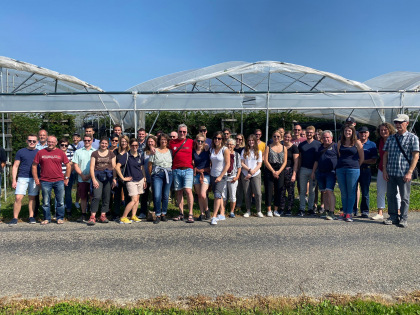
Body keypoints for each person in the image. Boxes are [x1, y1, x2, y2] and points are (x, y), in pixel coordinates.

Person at [383, 114, 419, 228]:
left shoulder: (413, 138)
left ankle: (403, 218)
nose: (397, 124)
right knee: (390, 195)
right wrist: (384, 170)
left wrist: (410, 172)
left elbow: (416, 156)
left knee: (404, 197)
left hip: (404, 173)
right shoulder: (391, 138)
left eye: (400, 122)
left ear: (407, 123)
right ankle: (393, 216)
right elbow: (385, 155)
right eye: (396, 122)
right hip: (391, 172)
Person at [32, 136, 71, 225]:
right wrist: (36, 179)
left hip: (59, 180)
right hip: (45, 180)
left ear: (56, 143)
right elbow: (34, 166)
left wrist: (67, 178)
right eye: (49, 142)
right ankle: (47, 218)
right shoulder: (41, 152)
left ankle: (60, 218)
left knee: (60, 201)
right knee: (45, 201)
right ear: (46, 142)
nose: (50, 143)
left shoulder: (60, 152)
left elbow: (68, 166)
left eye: (52, 142)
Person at [9, 134, 39, 226]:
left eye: (34, 141)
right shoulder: (21, 152)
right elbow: (15, 166)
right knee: (18, 197)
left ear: (37, 142)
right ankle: (15, 218)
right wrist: (14, 180)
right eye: (30, 141)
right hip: (22, 177)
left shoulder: (39, 152)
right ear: (26, 141)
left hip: (34, 178)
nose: (32, 143)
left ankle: (31, 216)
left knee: (32, 198)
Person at [336, 126, 364, 222]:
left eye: (349, 131)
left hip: (353, 169)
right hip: (340, 169)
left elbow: (362, 157)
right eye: (346, 130)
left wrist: (356, 166)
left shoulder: (357, 142)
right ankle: (344, 212)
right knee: (343, 192)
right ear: (343, 132)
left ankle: (349, 213)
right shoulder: (340, 142)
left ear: (353, 132)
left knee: (351, 192)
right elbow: (339, 155)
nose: (347, 132)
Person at [116, 138, 147, 224]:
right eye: (133, 145)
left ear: (138, 146)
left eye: (136, 145)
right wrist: (123, 178)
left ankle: (133, 216)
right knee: (133, 200)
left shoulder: (140, 155)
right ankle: (123, 217)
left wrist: (144, 179)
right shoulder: (126, 155)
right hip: (131, 181)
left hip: (140, 179)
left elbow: (142, 167)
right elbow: (117, 167)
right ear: (130, 145)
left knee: (137, 199)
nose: (134, 147)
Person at [373, 122, 400, 220]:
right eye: (381, 130)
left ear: (390, 130)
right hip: (381, 168)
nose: (383, 131)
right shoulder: (379, 141)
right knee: (380, 190)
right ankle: (380, 213)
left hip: (394, 168)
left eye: (385, 130)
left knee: (395, 191)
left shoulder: (395, 139)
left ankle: (398, 211)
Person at [169, 124, 195, 222]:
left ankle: (190, 214)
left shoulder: (191, 142)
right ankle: (181, 213)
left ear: (186, 133)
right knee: (179, 192)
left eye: (184, 132)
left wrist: (205, 146)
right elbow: (163, 147)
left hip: (188, 169)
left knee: (188, 191)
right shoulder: (172, 142)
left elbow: (200, 147)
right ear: (178, 132)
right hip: (176, 169)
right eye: (180, 131)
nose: (182, 133)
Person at [88, 137, 116, 225]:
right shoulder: (94, 153)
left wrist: (114, 179)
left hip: (108, 177)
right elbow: (92, 167)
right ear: (100, 144)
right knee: (96, 196)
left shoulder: (111, 154)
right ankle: (92, 216)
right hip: (97, 176)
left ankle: (103, 215)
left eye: (106, 144)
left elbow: (114, 167)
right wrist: (93, 179)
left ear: (108, 144)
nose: (104, 145)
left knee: (107, 196)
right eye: (102, 143)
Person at [311, 131, 338, 220]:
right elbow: (316, 161)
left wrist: (338, 172)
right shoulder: (319, 147)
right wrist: (313, 172)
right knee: (323, 192)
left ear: (331, 138)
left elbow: (340, 159)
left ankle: (332, 212)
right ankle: (326, 210)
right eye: (324, 138)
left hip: (331, 173)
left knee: (329, 191)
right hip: (320, 172)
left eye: (327, 137)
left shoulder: (336, 146)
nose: (326, 139)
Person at [297, 126, 322, 216]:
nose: (309, 134)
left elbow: (318, 159)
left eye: (311, 132)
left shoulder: (318, 144)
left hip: (314, 170)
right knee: (302, 190)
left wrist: (314, 171)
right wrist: (299, 169)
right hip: (303, 169)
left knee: (312, 191)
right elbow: (299, 158)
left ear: (314, 133)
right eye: (307, 132)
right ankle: (302, 208)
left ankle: (311, 209)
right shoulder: (301, 145)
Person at [149, 134, 173, 224]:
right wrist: (152, 174)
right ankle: (158, 214)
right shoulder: (155, 151)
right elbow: (150, 164)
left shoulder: (170, 151)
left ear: (167, 141)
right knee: (157, 195)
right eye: (162, 139)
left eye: (165, 139)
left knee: (166, 195)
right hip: (157, 174)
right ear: (159, 141)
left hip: (168, 174)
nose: (163, 141)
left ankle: (164, 214)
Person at [73, 134, 96, 222]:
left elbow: (96, 166)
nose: (87, 142)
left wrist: (90, 175)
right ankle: (83, 214)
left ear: (91, 140)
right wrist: (82, 175)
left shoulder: (95, 152)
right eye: (85, 140)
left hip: (92, 178)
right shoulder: (78, 152)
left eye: (89, 140)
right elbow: (75, 165)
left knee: (92, 197)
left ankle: (92, 214)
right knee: (83, 197)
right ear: (83, 141)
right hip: (81, 178)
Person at [264, 131, 287, 217]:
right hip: (270, 169)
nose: (276, 138)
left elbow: (285, 162)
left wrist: (279, 171)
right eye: (274, 136)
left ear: (281, 137)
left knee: (279, 190)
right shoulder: (268, 147)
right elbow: (265, 161)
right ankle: (269, 209)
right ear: (272, 137)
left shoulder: (284, 148)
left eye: (278, 136)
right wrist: (273, 171)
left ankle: (276, 209)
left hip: (280, 169)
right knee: (269, 189)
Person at [209, 131, 230, 225]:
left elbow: (228, 164)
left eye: (219, 138)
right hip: (212, 175)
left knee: (217, 195)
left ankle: (214, 216)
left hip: (221, 176)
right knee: (219, 194)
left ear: (222, 140)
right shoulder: (211, 149)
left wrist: (221, 176)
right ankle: (222, 213)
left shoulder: (225, 149)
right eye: (215, 138)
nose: (217, 140)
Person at [357, 126, 378, 218]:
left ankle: (365, 211)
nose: (363, 134)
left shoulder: (372, 144)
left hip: (365, 170)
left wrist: (361, 161)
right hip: (355, 170)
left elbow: (374, 160)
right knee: (353, 191)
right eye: (361, 132)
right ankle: (354, 209)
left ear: (368, 133)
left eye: (365, 132)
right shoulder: (355, 143)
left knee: (365, 192)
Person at [241, 134, 263, 217]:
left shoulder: (258, 151)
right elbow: (242, 163)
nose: (251, 142)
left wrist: (253, 172)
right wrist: (249, 170)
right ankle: (248, 210)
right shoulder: (244, 151)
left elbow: (259, 164)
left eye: (252, 140)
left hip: (256, 174)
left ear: (255, 141)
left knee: (257, 193)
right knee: (247, 193)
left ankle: (259, 211)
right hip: (245, 174)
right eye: (249, 140)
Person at [279, 131, 299, 216]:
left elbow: (296, 162)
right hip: (280, 170)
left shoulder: (294, 147)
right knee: (281, 190)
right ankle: (282, 208)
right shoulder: (280, 147)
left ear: (291, 138)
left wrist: (294, 174)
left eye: (288, 137)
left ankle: (289, 208)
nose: (287, 138)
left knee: (290, 191)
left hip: (290, 170)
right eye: (285, 137)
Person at [112, 135, 130, 221]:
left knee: (128, 196)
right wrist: (114, 178)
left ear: (127, 142)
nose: (123, 143)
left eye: (125, 141)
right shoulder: (115, 152)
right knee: (117, 196)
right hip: (118, 177)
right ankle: (116, 214)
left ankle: (127, 213)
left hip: (128, 176)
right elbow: (114, 166)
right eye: (122, 141)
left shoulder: (130, 151)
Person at [193, 134, 211, 220]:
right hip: (196, 174)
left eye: (202, 141)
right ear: (196, 141)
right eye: (198, 141)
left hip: (205, 174)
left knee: (204, 194)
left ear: (204, 142)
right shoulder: (193, 151)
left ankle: (207, 209)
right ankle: (202, 213)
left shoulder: (207, 150)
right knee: (199, 195)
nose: (200, 142)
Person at [139, 135, 156, 219]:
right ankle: (143, 212)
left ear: (155, 142)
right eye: (149, 141)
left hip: (156, 177)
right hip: (146, 177)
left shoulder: (158, 151)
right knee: (144, 195)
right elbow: (141, 164)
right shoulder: (144, 152)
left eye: (152, 141)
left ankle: (156, 211)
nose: (150, 143)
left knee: (156, 195)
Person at [58, 137, 74, 217]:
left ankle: (68, 210)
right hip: (58, 176)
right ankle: (58, 211)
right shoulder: (56, 153)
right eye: (62, 145)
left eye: (66, 145)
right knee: (59, 194)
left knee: (68, 193)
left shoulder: (71, 153)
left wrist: (67, 175)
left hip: (69, 176)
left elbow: (72, 165)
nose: (64, 147)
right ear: (59, 145)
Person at [225, 138, 241, 218]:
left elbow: (239, 167)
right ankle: (222, 210)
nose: (229, 146)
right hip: (224, 177)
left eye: (231, 144)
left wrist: (237, 177)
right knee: (223, 196)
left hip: (233, 177)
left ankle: (232, 211)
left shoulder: (237, 155)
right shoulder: (223, 153)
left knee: (232, 195)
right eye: (228, 144)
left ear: (234, 146)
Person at [234, 133, 246, 211]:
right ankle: (233, 204)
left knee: (240, 189)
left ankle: (239, 205)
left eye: (240, 139)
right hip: (233, 170)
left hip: (242, 170)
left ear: (242, 140)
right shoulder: (232, 147)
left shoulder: (244, 149)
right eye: (237, 139)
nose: (238, 140)